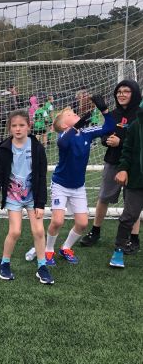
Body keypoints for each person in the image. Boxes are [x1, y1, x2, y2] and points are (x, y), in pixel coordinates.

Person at [45, 96, 115, 266]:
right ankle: (48, 250)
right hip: (60, 185)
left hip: (78, 187)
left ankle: (66, 248)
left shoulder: (87, 133)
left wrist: (105, 111)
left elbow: (109, 127)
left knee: (83, 223)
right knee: (58, 221)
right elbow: (63, 143)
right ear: (64, 125)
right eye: (70, 115)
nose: (75, 114)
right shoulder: (63, 136)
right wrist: (76, 126)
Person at [0, 110, 53, 284]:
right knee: (15, 231)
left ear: (28, 127)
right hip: (13, 197)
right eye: (14, 126)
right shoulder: (4, 149)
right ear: (9, 128)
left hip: (33, 197)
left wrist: (40, 203)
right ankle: (4, 263)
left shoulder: (37, 148)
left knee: (38, 231)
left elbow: (41, 177)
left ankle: (42, 266)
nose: (18, 129)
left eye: (21, 125)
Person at [81, 80, 142, 252]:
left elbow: (138, 141)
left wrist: (120, 142)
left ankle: (133, 238)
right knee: (104, 197)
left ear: (134, 94)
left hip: (133, 166)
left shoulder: (140, 114)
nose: (121, 94)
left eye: (126, 91)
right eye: (119, 91)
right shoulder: (113, 114)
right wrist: (106, 140)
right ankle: (95, 231)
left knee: (132, 204)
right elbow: (105, 133)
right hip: (113, 161)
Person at [109, 103, 143, 268]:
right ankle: (119, 250)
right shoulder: (136, 125)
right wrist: (122, 169)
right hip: (137, 179)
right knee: (129, 215)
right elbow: (127, 151)